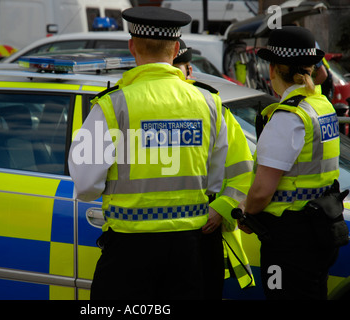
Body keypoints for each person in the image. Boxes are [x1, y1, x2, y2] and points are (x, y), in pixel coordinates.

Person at [68, 6, 228, 300]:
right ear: (176, 48)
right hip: (189, 251)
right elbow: (216, 180)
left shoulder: (113, 104)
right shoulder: (209, 103)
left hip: (130, 251)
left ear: (132, 46)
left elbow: (87, 184)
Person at [241, 26, 341, 300]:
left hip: (291, 237)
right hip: (322, 226)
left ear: (273, 70)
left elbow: (262, 190)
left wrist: (247, 214)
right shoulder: (321, 106)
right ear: (310, 67)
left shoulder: (289, 117)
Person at [173, 40, 255, 298]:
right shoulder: (134, 104)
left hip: (199, 232)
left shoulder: (212, 108)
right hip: (167, 235)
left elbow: (243, 170)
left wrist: (219, 210)